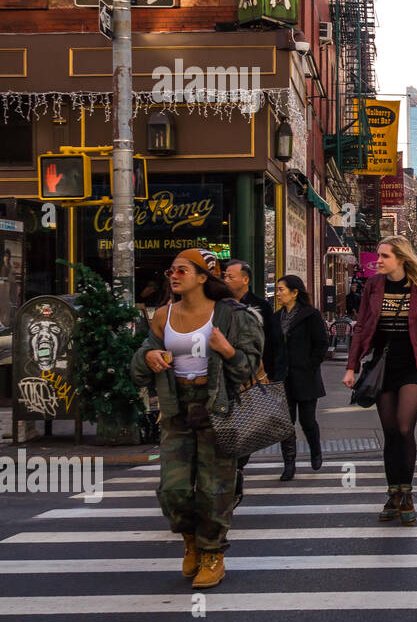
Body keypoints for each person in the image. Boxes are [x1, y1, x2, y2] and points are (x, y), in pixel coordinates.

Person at [128, 248, 262, 589]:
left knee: (213, 488)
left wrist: (227, 349)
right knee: (172, 489)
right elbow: (140, 360)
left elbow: (249, 366)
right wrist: (151, 357)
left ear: (203, 277)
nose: (173, 275)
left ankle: (212, 554)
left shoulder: (231, 315)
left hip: (217, 406)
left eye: (182, 270)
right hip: (176, 409)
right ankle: (191, 540)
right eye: (171, 270)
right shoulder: (163, 315)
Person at [344, 235, 417, 524]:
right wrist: (352, 366)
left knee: (404, 427)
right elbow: (361, 326)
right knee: (389, 432)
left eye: (384, 256)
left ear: (400, 258)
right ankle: (393, 493)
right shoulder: (373, 286)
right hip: (382, 366)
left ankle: (407, 493)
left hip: (414, 365)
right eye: (379, 255)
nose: (378, 260)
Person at [223, 259, 282, 503]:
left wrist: (273, 375)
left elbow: (273, 341)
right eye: (224, 276)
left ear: (245, 279)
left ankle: (237, 468)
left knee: (246, 427)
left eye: (230, 276)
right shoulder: (218, 306)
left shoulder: (260, 306)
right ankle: (231, 472)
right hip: (226, 377)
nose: (225, 280)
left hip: (253, 377)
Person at [273, 274, 328, 480]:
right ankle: (289, 464)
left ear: (295, 292)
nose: (277, 293)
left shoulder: (310, 315)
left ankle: (315, 452)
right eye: (277, 290)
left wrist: (310, 365)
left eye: (281, 289)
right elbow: (272, 347)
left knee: (307, 420)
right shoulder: (276, 317)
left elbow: (321, 344)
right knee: (286, 424)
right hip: (283, 378)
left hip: (305, 377)